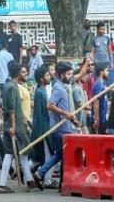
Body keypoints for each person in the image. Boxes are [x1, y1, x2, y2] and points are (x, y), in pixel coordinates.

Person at [33, 61, 80, 190]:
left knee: (61, 155)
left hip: (64, 126)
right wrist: (66, 113)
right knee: (62, 155)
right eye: (69, 74)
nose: (71, 76)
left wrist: (71, 119)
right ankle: (44, 174)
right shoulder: (58, 88)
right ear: (61, 74)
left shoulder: (61, 86)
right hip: (59, 129)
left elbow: (62, 108)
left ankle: (49, 178)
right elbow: (49, 105)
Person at [0, 62, 39, 193]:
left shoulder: (13, 86)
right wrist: (13, 126)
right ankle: (3, 184)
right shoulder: (11, 87)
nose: (24, 74)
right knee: (10, 154)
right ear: (19, 73)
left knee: (23, 153)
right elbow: (11, 109)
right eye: (23, 71)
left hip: (17, 125)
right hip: (14, 126)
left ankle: (29, 180)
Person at [29, 65, 58, 189]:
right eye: (47, 75)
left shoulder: (41, 91)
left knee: (41, 155)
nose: (49, 77)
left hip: (42, 126)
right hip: (43, 128)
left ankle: (27, 173)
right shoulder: (40, 93)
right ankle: (47, 181)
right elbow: (42, 113)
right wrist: (45, 130)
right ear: (41, 79)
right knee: (48, 154)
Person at [92, 64, 109, 134]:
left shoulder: (103, 83)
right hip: (99, 119)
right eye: (106, 71)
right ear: (101, 73)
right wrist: (96, 119)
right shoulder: (98, 84)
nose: (108, 72)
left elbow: (109, 89)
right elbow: (96, 102)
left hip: (103, 117)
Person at [72, 69, 90, 134]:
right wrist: (91, 108)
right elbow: (80, 105)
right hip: (77, 124)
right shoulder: (76, 89)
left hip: (82, 123)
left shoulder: (81, 88)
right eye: (84, 75)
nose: (86, 77)